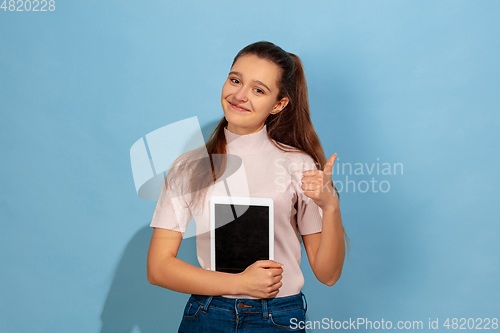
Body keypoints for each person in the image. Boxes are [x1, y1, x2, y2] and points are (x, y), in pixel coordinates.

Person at [147, 41, 346, 332]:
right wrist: (241, 283)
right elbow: (158, 268)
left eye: (258, 89)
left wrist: (330, 207)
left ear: (278, 104)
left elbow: (328, 274)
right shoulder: (188, 166)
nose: (239, 95)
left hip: (276, 318)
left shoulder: (298, 165)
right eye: (235, 80)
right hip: (207, 314)